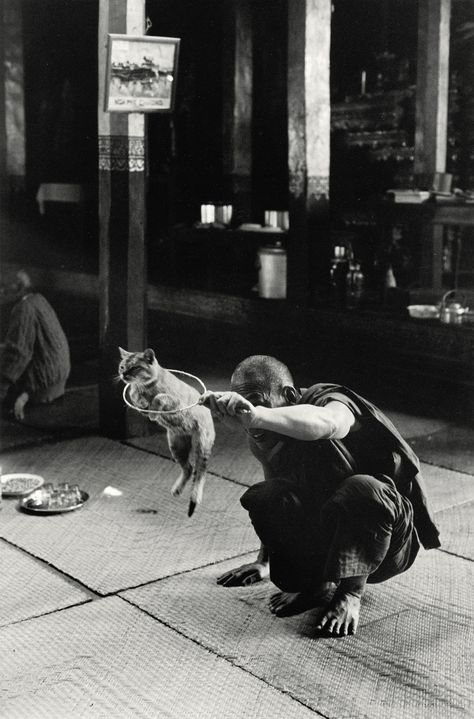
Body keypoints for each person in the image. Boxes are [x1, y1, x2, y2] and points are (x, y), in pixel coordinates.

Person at [200, 355, 440, 637]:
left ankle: (351, 593)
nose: (250, 414)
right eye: (245, 405)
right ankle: (316, 586)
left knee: (362, 488)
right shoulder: (263, 435)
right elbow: (277, 485)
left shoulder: (331, 400)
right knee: (266, 495)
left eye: (257, 400)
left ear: (289, 396)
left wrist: (255, 416)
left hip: (386, 541)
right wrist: (263, 561)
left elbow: (329, 424)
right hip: (330, 534)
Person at [0, 270, 70, 420]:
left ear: (19, 287)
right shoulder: (38, 300)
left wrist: (1, 388)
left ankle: (19, 399)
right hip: (57, 382)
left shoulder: (23, 308)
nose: (1, 291)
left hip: (41, 386)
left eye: (3, 286)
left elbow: (18, 354)